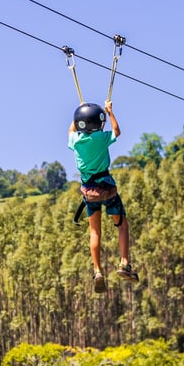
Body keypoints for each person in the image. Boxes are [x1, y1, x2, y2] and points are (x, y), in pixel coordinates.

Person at [68, 99, 139, 293]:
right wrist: (110, 111)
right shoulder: (101, 138)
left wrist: (79, 112)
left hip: (89, 192)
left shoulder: (76, 141)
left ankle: (98, 270)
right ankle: (124, 263)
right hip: (107, 188)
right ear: (99, 123)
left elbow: (71, 131)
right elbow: (117, 131)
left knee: (95, 232)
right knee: (121, 224)